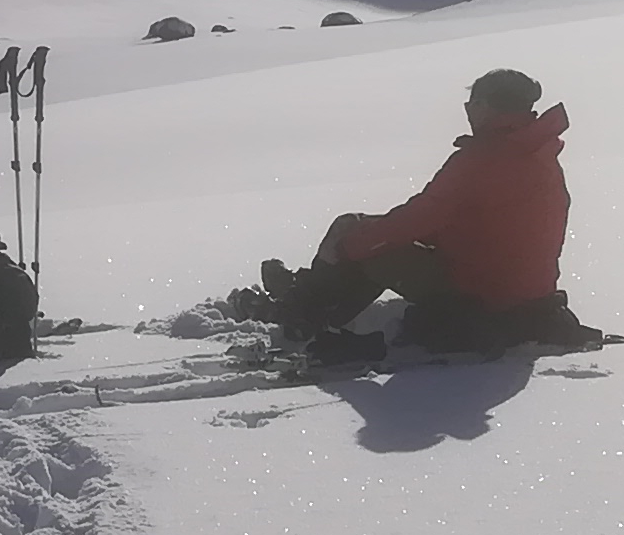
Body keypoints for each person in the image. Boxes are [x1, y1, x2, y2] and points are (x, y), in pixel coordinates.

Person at [232, 67, 586, 362]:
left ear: (484, 106)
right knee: (369, 236)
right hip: (522, 287)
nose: (467, 111)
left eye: (471, 103)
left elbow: (419, 218)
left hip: (484, 292)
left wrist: (347, 246)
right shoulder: (537, 152)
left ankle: (300, 312)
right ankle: (307, 296)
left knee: (367, 242)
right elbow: (468, 218)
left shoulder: (483, 158)